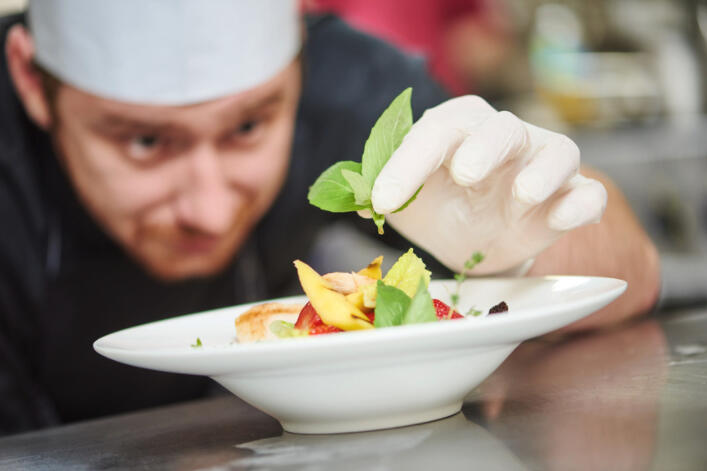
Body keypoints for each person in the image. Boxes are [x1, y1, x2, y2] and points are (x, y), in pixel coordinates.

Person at [0, 0, 659, 435]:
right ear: (32, 81)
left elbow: (638, 273)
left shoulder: (341, 81)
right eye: (144, 142)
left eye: (249, 126)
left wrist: (517, 242)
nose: (208, 207)